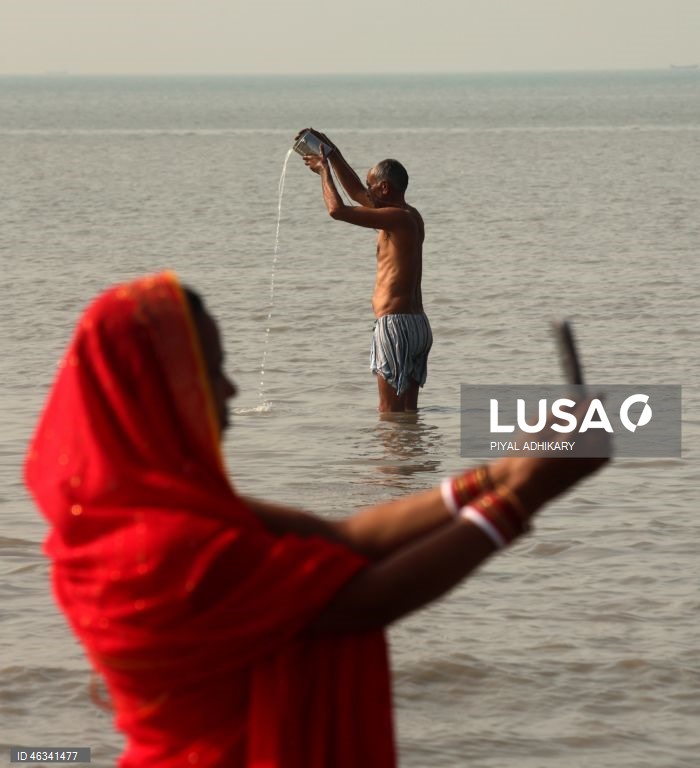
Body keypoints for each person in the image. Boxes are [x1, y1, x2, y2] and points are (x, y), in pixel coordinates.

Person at [25, 272, 610, 768]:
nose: (230, 389)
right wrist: (523, 497)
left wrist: (500, 473)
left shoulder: (130, 519)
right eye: (212, 371)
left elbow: (343, 539)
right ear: (155, 393)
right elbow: (364, 599)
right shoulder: (168, 547)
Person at [298, 129, 432, 413]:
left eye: (371, 186)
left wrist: (324, 172)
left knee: (389, 414)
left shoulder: (395, 218)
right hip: (416, 326)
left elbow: (337, 210)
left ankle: (391, 445)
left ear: (384, 188)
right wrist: (331, 152)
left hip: (395, 326)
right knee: (408, 416)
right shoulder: (409, 215)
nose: (366, 192)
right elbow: (356, 192)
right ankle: (414, 446)